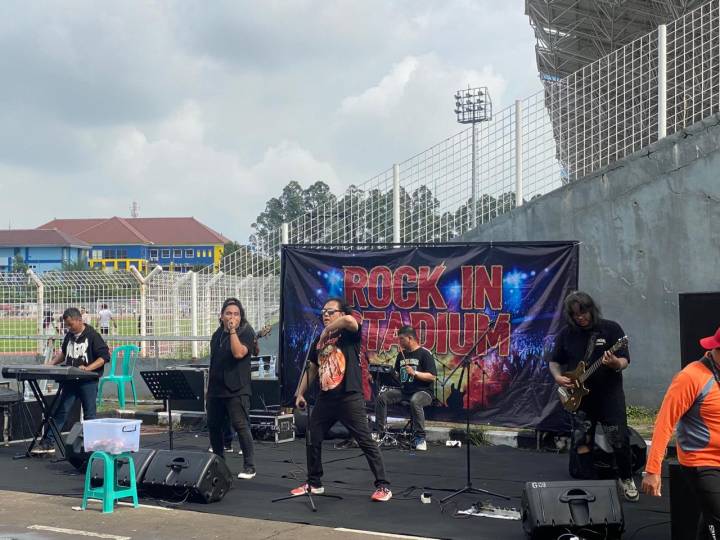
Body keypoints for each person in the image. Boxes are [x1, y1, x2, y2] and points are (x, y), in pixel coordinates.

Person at [292, 297, 392, 502]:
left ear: (341, 313)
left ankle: (383, 486)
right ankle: (314, 483)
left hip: (349, 396)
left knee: (364, 439)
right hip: (326, 398)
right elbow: (312, 369)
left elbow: (349, 320)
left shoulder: (348, 333)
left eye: (331, 312)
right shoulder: (319, 342)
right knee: (313, 435)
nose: (326, 315)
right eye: (323, 312)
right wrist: (300, 393)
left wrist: (327, 331)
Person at [548, 291, 638, 501]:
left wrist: (614, 363)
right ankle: (589, 482)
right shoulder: (567, 334)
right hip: (580, 399)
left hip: (609, 396)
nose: (581, 317)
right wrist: (558, 377)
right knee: (582, 440)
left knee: (619, 439)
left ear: (591, 309)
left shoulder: (611, 329)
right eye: (576, 314)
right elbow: (554, 361)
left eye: (584, 312)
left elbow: (624, 360)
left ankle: (626, 478)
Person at [642, 326, 720, 539]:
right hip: (701, 461)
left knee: (710, 518)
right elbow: (664, 422)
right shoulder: (691, 377)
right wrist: (653, 470)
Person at [33, 307, 110, 454]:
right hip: (70, 380)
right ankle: (48, 443)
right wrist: (51, 364)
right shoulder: (69, 335)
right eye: (67, 325)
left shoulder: (93, 336)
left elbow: (104, 357)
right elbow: (64, 353)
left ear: (79, 320)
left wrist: (88, 369)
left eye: (70, 324)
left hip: (88, 382)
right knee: (61, 411)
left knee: (89, 414)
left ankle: (90, 445)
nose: (69, 327)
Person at [206, 298, 256, 479]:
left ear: (241, 317)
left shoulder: (246, 332)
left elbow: (238, 353)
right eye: (228, 313)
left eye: (236, 314)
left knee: (240, 425)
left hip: (237, 388)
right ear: (221, 316)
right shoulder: (217, 335)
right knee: (214, 426)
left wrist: (233, 330)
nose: (232, 317)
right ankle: (219, 462)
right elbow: (214, 362)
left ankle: (249, 466)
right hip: (216, 388)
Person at [374, 325, 437, 451]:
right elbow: (397, 376)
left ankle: (420, 438)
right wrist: (384, 374)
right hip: (405, 391)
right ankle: (379, 434)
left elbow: (432, 377)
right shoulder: (401, 355)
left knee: (415, 400)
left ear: (410, 338)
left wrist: (415, 373)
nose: (399, 342)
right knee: (382, 398)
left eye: (401, 339)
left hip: (423, 392)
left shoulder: (425, 354)